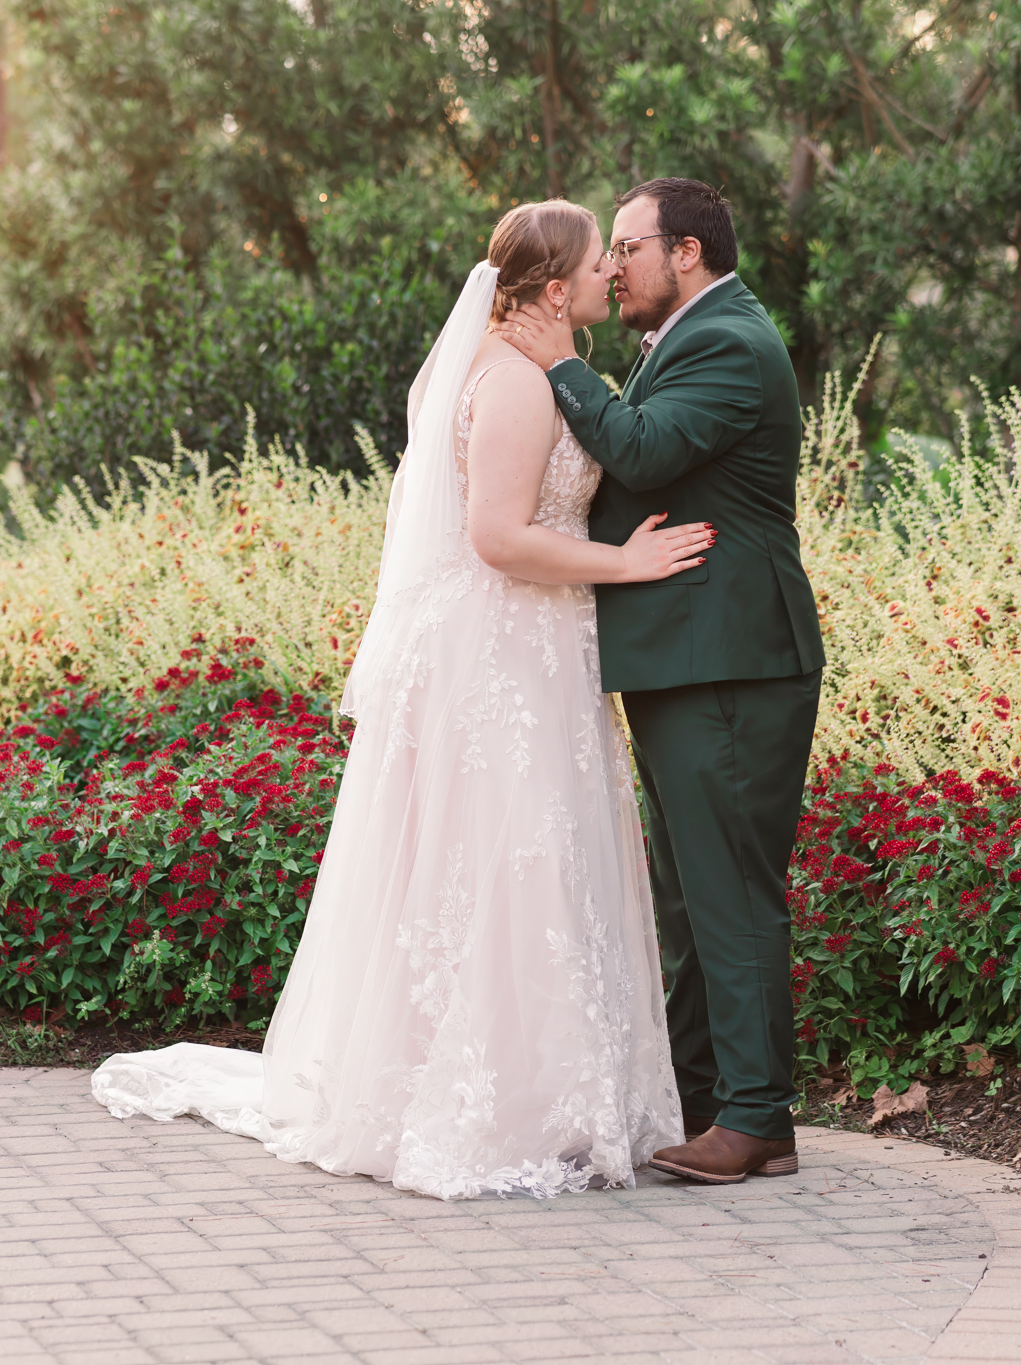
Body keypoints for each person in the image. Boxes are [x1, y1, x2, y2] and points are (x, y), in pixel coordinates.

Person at [93, 200, 710, 1199]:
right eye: (599, 262)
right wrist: (626, 565)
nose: (609, 275)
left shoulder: (536, 371)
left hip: (537, 646)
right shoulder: (510, 383)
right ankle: (493, 1102)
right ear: (554, 288)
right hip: (504, 648)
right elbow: (497, 537)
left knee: (528, 866)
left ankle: (546, 1091)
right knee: (509, 862)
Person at [500, 178, 823, 1185]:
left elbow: (641, 450)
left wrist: (557, 363)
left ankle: (755, 1116)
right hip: (688, 653)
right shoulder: (688, 337)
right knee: (690, 894)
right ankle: (698, 1100)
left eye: (627, 247)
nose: (611, 267)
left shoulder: (729, 340)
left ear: (683, 252)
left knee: (726, 889)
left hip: (727, 655)